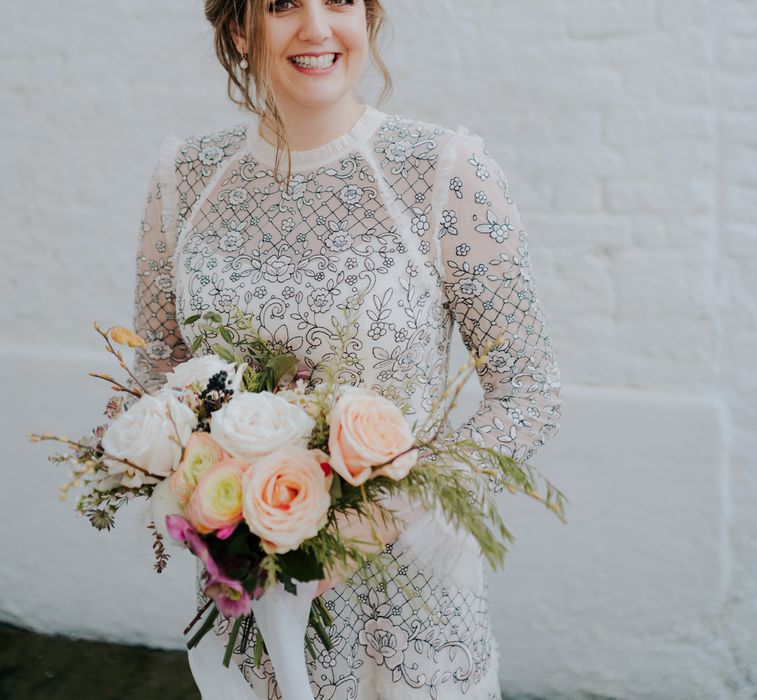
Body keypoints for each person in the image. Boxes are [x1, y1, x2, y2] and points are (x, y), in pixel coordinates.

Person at [131, 0, 562, 697]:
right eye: (280, 5)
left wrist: (377, 517)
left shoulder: (444, 173)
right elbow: (157, 365)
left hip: (412, 605)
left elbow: (528, 391)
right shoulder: (185, 179)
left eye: (340, 2)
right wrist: (210, 504)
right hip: (254, 606)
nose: (317, 27)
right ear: (239, 28)